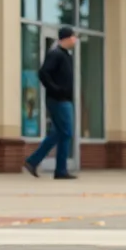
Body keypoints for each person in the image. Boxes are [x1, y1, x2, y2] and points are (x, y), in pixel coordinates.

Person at [23, 27, 78, 179]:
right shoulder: (56, 54)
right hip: (59, 100)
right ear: (66, 38)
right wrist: (56, 89)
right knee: (66, 133)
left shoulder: (66, 56)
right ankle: (59, 170)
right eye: (73, 37)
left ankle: (33, 162)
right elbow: (43, 73)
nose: (75, 39)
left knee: (57, 133)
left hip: (64, 100)